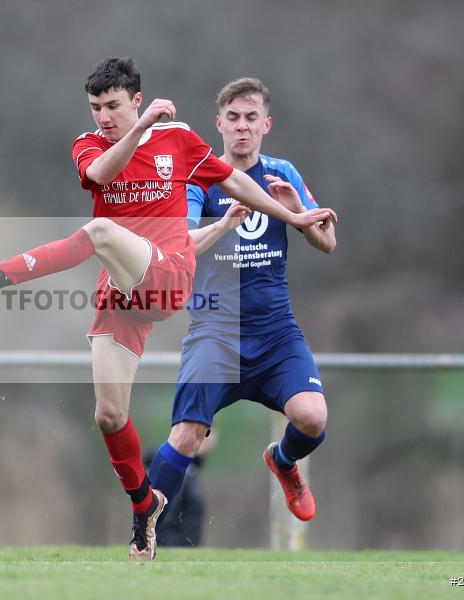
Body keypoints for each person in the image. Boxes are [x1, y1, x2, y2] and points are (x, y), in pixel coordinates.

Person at [0, 58, 336, 559]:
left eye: (113, 105)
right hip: (122, 293)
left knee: (98, 232)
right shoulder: (90, 145)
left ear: (135, 98)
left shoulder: (177, 139)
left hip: (166, 275)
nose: (103, 116)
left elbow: (236, 184)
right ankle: (143, 512)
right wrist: (141, 130)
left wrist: (292, 215)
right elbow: (100, 171)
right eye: (96, 107)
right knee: (110, 416)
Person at [148, 77, 335, 528]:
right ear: (219, 124)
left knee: (312, 417)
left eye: (251, 118)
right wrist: (223, 225)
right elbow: (182, 242)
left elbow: (327, 241)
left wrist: (295, 213)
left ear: (266, 124)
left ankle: (284, 461)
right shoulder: (200, 179)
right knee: (187, 435)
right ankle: (144, 529)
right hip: (216, 332)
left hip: (275, 332)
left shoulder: (282, 173)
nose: (242, 127)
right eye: (233, 118)